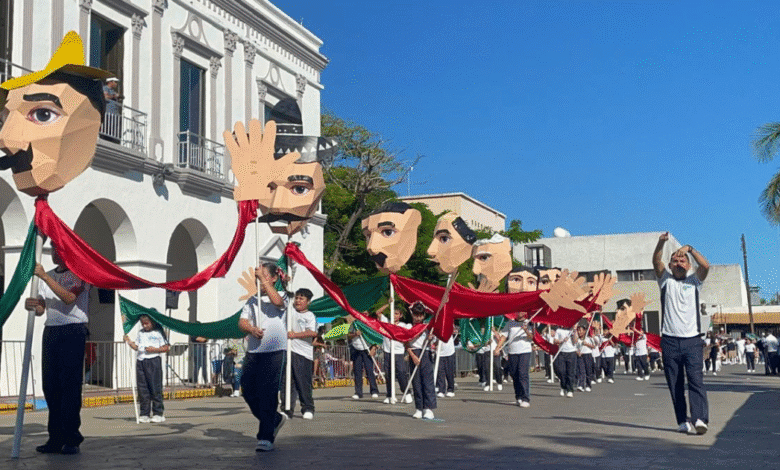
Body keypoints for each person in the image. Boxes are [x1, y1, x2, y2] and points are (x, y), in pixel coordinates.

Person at [24, 246, 91, 454]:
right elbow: (42, 308)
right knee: (51, 386)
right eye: (52, 249)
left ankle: (71, 438)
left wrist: (44, 276)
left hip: (73, 330)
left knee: (69, 386)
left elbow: (69, 298)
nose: (54, 253)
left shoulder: (80, 274)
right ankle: (55, 437)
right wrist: (33, 306)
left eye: (59, 249)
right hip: (51, 331)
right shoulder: (49, 276)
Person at [653, 232, 710, 435]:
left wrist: (690, 249)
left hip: (692, 340)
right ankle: (682, 420)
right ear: (670, 266)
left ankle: (700, 419)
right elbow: (656, 260)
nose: (678, 262)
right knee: (675, 383)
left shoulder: (694, 281)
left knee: (695, 380)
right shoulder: (665, 281)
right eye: (675, 260)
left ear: (688, 265)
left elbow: (706, 266)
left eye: (682, 260)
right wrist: (661, 243)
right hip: (669, 340)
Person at [237, 262, 289, 452]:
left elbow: (277, 303)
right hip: (254, 351)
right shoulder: (252, 300)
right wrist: (251, 328)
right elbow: (242, 321)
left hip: (274, 351)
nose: (259, 278)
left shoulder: (283, 295)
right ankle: (274, 419)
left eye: (264, 275)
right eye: (258, 276)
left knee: (268, 392)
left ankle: (266, 436)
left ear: (274, 278)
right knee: (248, 389)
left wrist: (263, 281)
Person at [124, 315, 169, 423]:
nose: (144, 325)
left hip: (153, 360)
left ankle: (158, 413)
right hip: (141, 361)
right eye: (143, 323)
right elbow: (136, 347)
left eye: (146, 323)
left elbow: (166, 347)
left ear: (152, 322)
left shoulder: (158, 332)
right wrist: (129, 341)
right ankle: (144, 413)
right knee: (142, 388)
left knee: (155, 387)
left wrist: (155, 349)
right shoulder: (140, 333)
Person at [281, 288, 317, 420]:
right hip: (289, 351)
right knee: (287, 382)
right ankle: (287, 409)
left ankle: (308, 408)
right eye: (297, 298)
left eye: (301, 299)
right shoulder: (290, 311)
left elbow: (312, 332)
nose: (298, 301)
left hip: (303, 354)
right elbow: (284, 296)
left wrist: (295, 335)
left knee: (303, 382)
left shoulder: (309, 316)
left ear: (308, 302)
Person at [405, 302, 436, 419]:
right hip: (414, 353)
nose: (418, 317)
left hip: (425, 353)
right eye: (416, 315)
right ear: (412, 314)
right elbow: (406, 344)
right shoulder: (408, 327)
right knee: (416, 382)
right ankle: (419, 407)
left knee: (427, 381)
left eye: (420, 315)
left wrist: (429, 339)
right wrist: (413, 356)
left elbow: (432, 343)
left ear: (423, 315)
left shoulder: (427, 327)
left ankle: (428, 408)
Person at [498, 313, 533, 407]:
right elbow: (503, 336)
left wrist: (526, 330)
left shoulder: (529, 323)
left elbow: (531, 337)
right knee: (514, 374)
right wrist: (497, 348)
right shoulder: (510, 323)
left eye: (522, 311)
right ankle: (519, 397)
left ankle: (526, 398)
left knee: (523, 374)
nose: (519, 313)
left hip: (524, 351)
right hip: (512, 352)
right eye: (518, 311)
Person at [380, 306, 412, 404]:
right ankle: (389, 395)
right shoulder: (386, 322)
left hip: (399, 352)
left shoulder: (404, 325)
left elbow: (409, 335)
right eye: (393, 313)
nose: (394, 315)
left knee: (401, 373)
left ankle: (407, 393)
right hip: (388, 351)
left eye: (397, 314)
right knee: (388, 374)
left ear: (400, 315)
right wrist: (388, 304)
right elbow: (378, 312)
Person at [348, 317, 380, 400]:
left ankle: (374, 390)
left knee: (369, 370)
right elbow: (349, 335)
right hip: (356, 349)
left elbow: (374, 336)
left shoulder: (369, 324)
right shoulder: (354, 324)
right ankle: (358, 392)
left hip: (366, 349)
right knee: (357, 371)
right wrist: (355, 334)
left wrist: (374, 348)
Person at [554, 325, 577, 397]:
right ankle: (563, 386)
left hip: (571, 352)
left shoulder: (572, 330)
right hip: (561, 352)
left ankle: (570, 390)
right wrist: (561, 341)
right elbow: (555, 341)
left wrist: (575, 331)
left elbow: (575, 341)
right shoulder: (558, 330)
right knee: (561, 371)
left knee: (570, 372)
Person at [435, 330, 457, 398]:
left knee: (449, 372)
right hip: (439, 353)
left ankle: (450, 389)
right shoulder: (436, 328)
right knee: (440, 372)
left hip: (449, 352)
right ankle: (441, 390)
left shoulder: (448, 326)